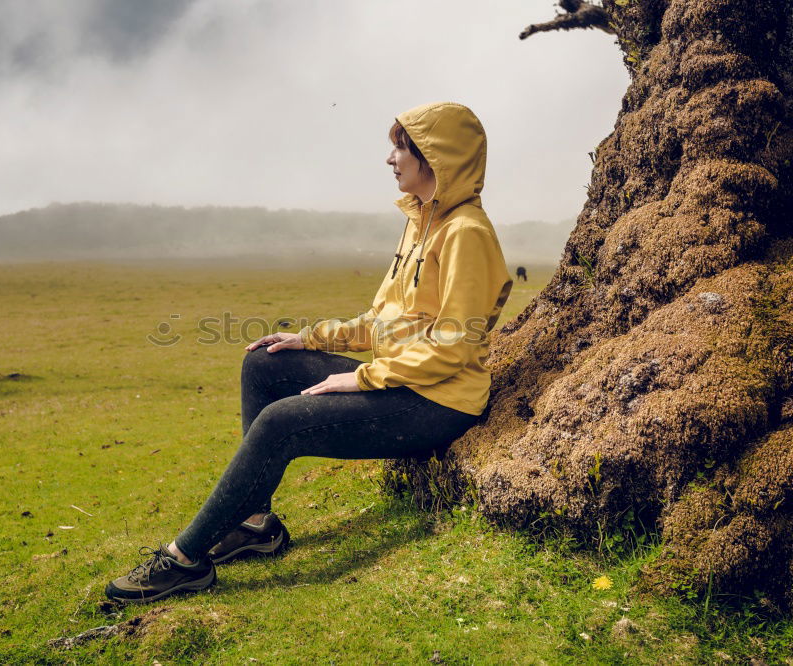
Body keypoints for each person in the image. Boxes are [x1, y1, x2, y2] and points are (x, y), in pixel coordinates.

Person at [105, 101, 514, 604]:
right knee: (263, 363)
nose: (390, 159)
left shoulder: (465, 233)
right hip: (404, 379)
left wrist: (363, 378)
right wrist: (312, 338)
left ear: (436, 157)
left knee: (281, 423)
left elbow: (455, 345)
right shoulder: (421, 222)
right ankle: (256, 524)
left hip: (440, 401)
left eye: (401, 148)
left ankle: (184, 560)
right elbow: (386, 320)